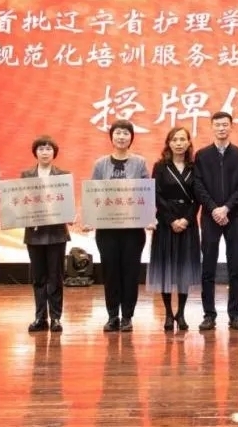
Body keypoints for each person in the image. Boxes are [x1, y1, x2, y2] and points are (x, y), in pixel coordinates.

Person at [87, 120, 154, 333]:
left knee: (130, 273)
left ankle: (127, 316)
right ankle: (112, 316)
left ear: (131, 137)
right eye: (118, 133)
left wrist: (150, 217)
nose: (122, 137)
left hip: (133, 231)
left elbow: (146, 193)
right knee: (110, 273)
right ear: (111, 137)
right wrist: (89, 218)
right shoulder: (100, 164)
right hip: (107, 231)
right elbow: (93, 194)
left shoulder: (140, 163)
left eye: (126, 133)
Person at [193, 111, 238, 332]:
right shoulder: (202, 155)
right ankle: (209, 314)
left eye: (225, 125)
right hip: (209, 217)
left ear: (231, 127)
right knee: (208, 267)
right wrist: (214, 208)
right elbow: (198, 185)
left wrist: (226, 208)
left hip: (233, 216)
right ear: (212, 127)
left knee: (235, 267)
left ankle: (235, 315)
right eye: (217, 125)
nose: (221, 128)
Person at [147, 126, 202, 332]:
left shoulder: (195, 167)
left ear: (189, 143)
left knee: (183, 268)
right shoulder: (160, 166)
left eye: (182, 139)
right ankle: (169, 314)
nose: (179, 143)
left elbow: (198, 197)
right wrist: (171, 220)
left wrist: (186, 220)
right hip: (165, 222)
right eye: (174, 139)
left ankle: (181, 313)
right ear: (168, 143)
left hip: (188, 222)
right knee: (166, 268)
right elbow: (156, 195)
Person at [22, 136, 71, 334]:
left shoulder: (63, 176)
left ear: (54, 152)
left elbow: (67, 203)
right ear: (35, 152)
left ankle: (56, 318)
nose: (45, 152)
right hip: (34, 234)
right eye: (41, 149)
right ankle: (40, 317)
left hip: (56, 233)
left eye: (48, 149)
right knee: (38, 277)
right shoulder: (26, 176)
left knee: (55, 277)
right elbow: (21, 203)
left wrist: (69, 214)